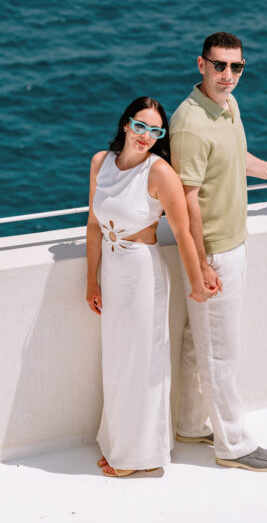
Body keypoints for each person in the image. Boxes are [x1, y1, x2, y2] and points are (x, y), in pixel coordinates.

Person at [170, 31, 267, 473]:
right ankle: (233, 445)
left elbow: (236, 155)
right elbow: (186, 200)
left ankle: (191, 424)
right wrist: (201, 265)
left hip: (233, 242)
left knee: (199, 346)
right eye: (219, 65)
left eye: (236, 66)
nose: (228, 74)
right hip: (214, 253)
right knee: (221, 354)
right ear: (201, 65)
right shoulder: (190, 123)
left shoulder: (228, 106)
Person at [86, 96, 214, 478]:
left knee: (142, 364)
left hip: (143, 276)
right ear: (126, 124)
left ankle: (138, 456)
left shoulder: (159, 173)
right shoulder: (100, 162)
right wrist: (91, 280)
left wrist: (198, 282)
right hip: (112, 273)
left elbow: (183, 233)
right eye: (140, 126)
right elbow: (93, 224)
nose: (145, 136)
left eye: (155, 131)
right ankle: (119, 444)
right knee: (117, 362)